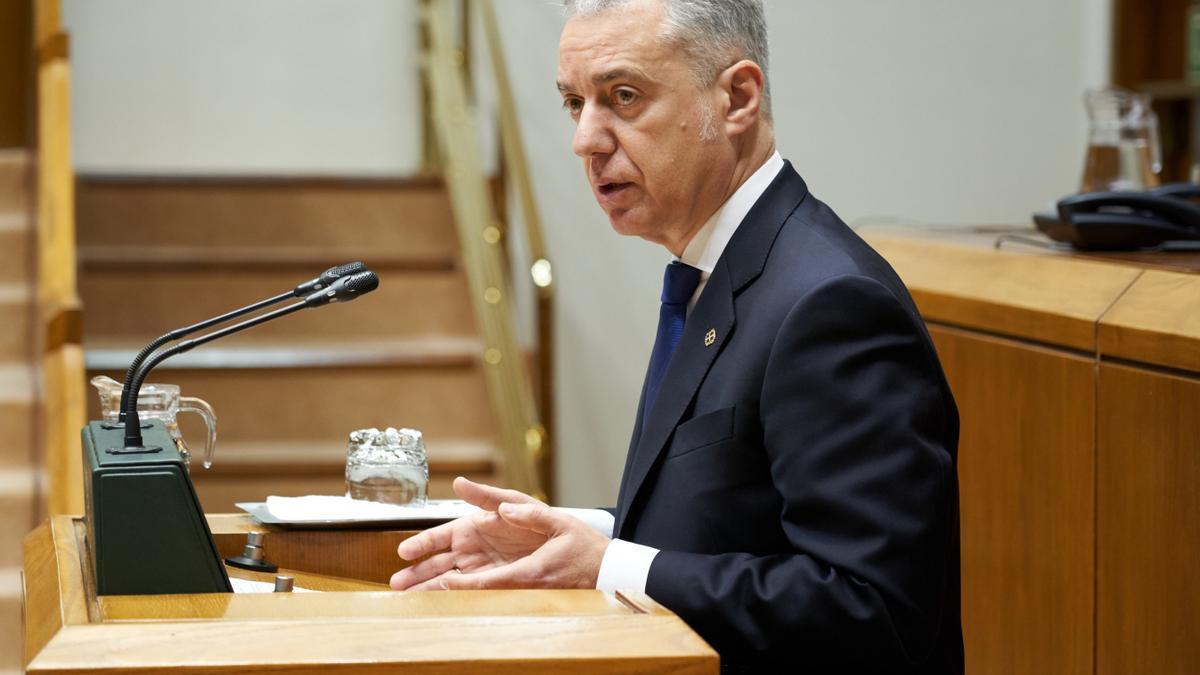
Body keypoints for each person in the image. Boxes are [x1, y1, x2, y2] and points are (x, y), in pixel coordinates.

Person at [391, 0, 963, 671]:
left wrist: (610, 563)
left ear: (737, 98)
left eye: (623, 96)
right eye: (576, 103)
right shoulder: (724, 271)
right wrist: (580, 536)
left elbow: (874, 611)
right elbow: (733, 515)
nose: (586, 139)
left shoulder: (831, 302)